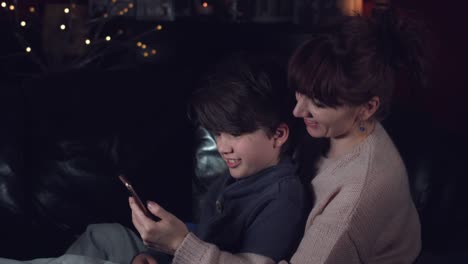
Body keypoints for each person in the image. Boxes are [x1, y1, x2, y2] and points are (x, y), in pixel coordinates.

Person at [129, 5, 427, 264]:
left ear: (367, 108)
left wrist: (181, 246)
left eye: (318, 104)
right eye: (301, 93)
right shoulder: (334, 127)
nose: (298, 111)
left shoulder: (358, 195)